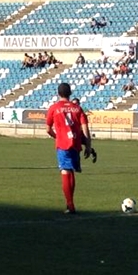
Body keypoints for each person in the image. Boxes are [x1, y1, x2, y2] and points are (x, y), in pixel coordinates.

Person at [46, 83, 93, 215]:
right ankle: (70, 203)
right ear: (70, 93)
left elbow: (48, 129)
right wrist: (88, 146)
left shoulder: (54, 108)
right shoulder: (77, 108)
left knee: (65, 172)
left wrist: (57, 137)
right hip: (76, 145)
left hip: (63, 144)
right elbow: (85, 129)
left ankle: (70, 205)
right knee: (70, 172)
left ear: (58, 93)